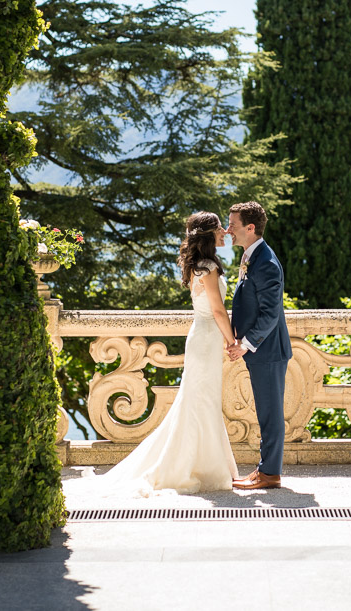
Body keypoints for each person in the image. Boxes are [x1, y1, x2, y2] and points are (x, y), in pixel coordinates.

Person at [82, 212, 239, 495]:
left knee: (198, 401)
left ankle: (202, 465)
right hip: (207, 338)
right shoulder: (209, 267)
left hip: (201, 336)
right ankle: (200, 468)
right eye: (219, 228)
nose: (224, 232)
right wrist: (232, 341)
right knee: (203, 402)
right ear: (208, 234)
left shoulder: (198, 266)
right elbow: (218, 311)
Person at [226, 201, 292, 490]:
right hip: (262, 351)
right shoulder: (254, 256)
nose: (228, 230)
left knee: (270, 414)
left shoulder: (265, 262)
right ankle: (265, 470)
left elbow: (270, 314)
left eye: (233, 225)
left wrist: (245, 344)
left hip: (267, 351)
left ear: (250, 228)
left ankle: (269, 474)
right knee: (266, 412)